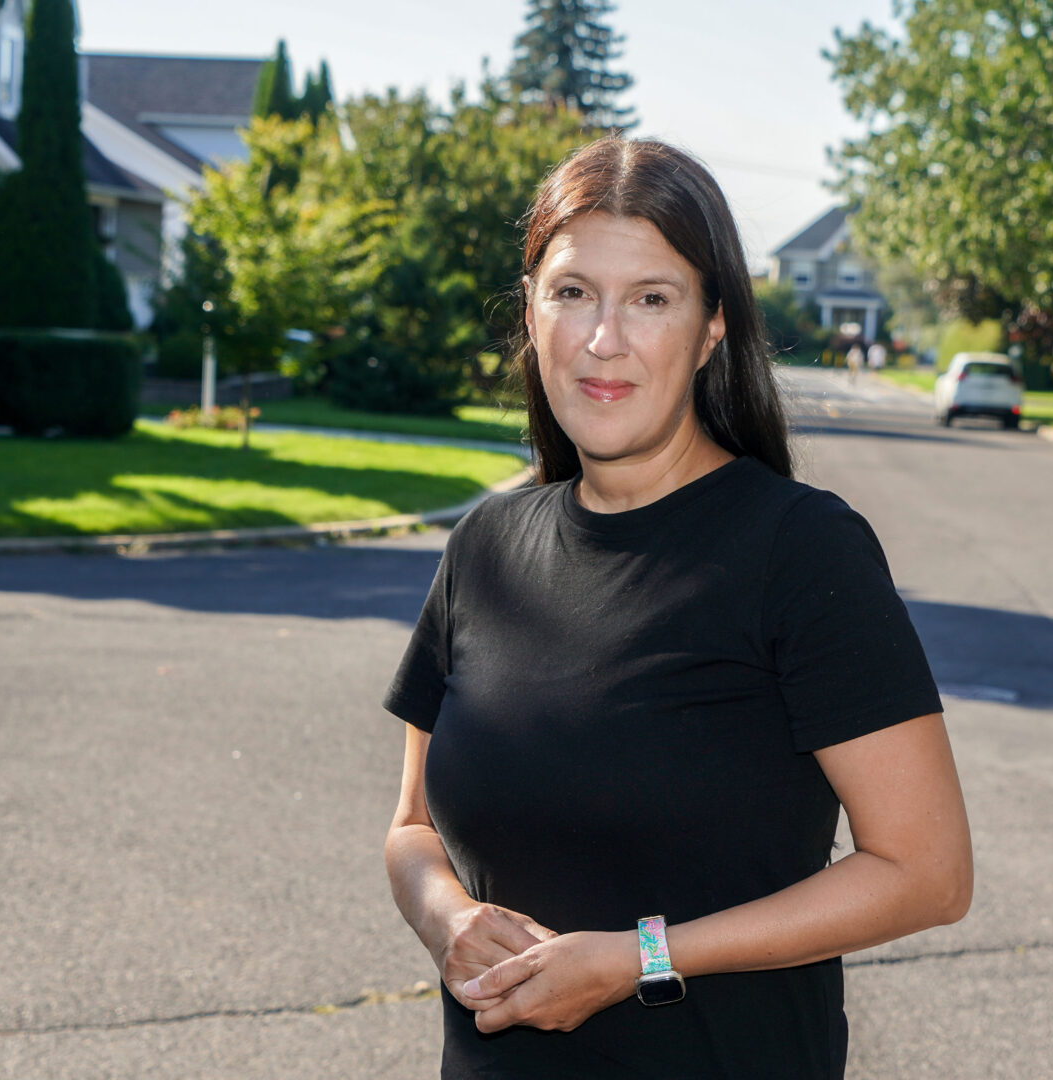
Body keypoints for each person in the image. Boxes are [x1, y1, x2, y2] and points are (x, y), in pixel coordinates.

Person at [383, 137, 972, 1080]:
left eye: (650, 299)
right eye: (572, 292)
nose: (602, 338)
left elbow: (928, 874)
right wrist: (447, 918)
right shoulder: (482, 549)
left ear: (710, 330)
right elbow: (413, 827)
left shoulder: (799, 549)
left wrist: (638, 960)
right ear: (530, 312)